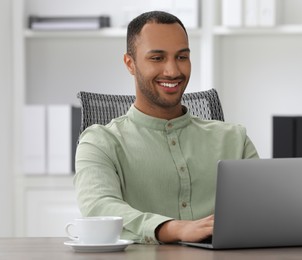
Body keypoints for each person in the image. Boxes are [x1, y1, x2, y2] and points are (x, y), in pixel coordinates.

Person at [74, 11, 259, 245]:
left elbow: (263, 208)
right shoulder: (99, 142)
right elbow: (99, 207)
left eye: (182, 57)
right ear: (130, 64)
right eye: (157, 58)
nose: (172, 71)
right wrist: (172, 229)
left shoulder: (234, 138)